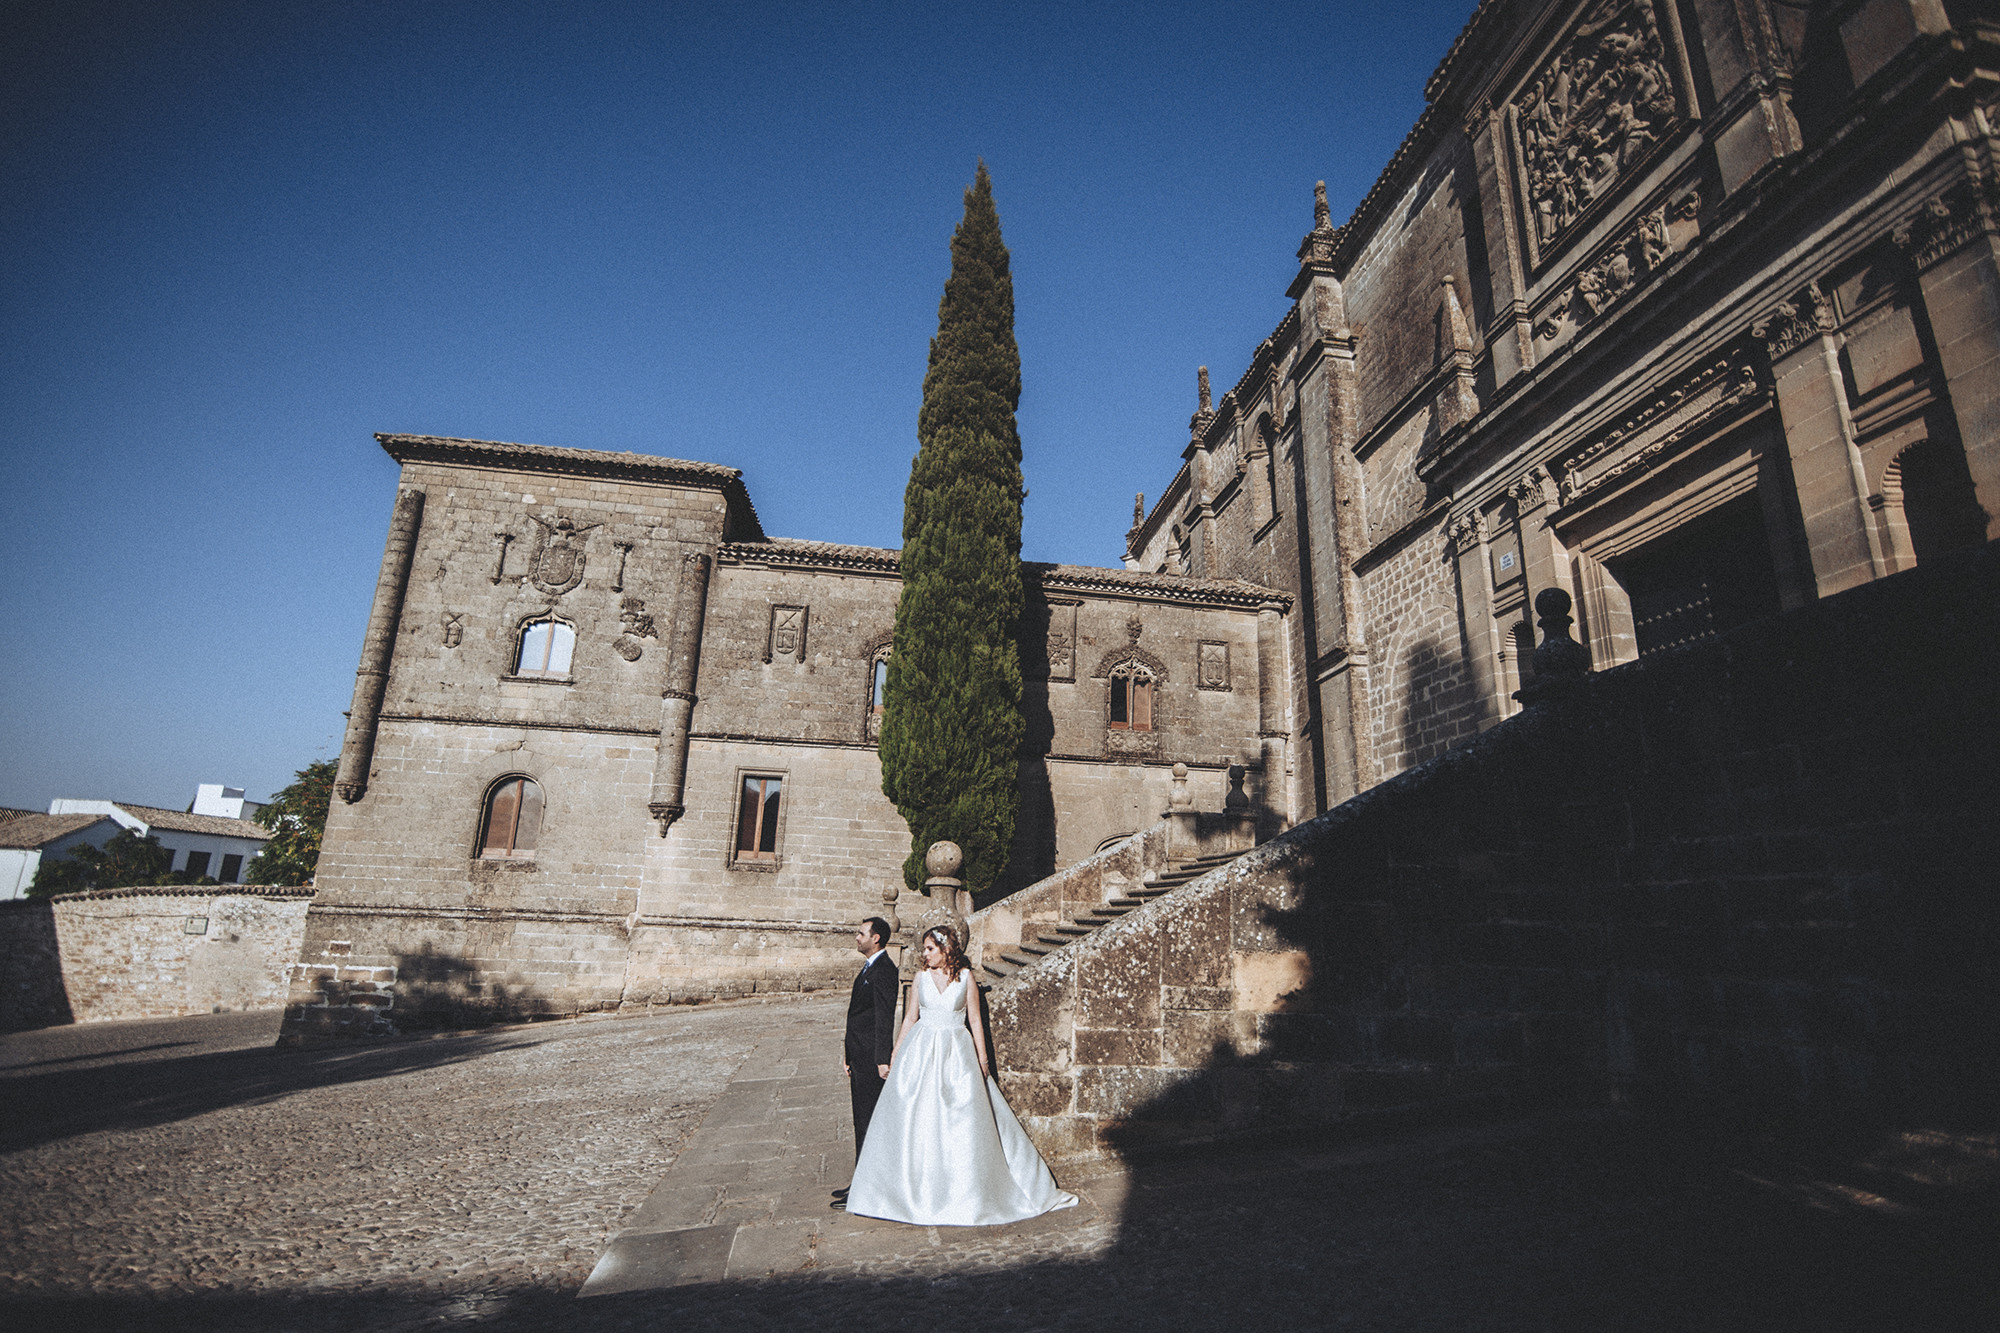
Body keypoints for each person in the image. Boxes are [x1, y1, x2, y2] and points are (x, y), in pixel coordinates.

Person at [845, 925, 1077, 1226]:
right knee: (918, 1117)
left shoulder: (967, 979)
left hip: (957, 1052)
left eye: (930, 949)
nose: (925, 954)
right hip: (922, 1051)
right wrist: (896, 1053)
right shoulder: (920, 979)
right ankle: (907, 1190)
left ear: (946, 949)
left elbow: (976, 1021)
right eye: (925, 949)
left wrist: (982, 1059)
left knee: (962, 1117)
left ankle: (968, 1191)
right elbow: (909, 1019)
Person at [844, 917, 898, 1164]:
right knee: (860, 1119)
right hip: (859, 1057)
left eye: (861, 933)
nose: (857, 937)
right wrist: (848, 1056)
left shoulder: (885, 969)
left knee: (869, 1120)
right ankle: (860, 1181)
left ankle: (865, 1185)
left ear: (875, 939)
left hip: (871, 1060)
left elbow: (883, 1017)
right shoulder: (869, 967)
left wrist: (882, 1059)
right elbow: (857, 1016)